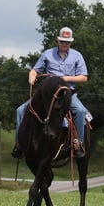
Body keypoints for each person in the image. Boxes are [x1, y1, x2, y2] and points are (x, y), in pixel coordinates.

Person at [11, 26, 89, 159]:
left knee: (81, 111)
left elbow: (84, 77)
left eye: (67, 42)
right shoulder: (47, 54)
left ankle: (78, 143)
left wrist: (65, 79)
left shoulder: (77, 56)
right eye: (62, 41)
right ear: (57, 40)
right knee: (20, 110)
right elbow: (35, 70)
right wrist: (32, 74)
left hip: (66, 93)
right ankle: (20, 143)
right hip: (47, 94)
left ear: (70, 42)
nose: (65, 44)